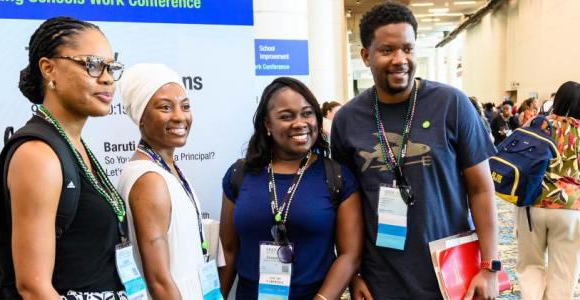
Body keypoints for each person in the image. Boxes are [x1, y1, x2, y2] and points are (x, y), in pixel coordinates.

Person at [331, 2, 501, 299]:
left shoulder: (452, 104)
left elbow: (480, 189)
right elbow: (348, 207)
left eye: (408, 49)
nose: (400, 59)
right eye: (387, 50)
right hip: (380, 278)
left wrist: (490, 266)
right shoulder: (347, 120)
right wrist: (353, 273)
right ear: (366, 56)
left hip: (450, 272)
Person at [3, 17, 130, 299]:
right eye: (93, 65)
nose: (107, 78)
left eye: (111, 67)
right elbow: (34, 288)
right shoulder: (38, 155)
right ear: (49, 69)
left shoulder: (70, 143)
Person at [220, 77, 364, 300]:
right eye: (286, 116)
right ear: (267, 124)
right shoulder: (239, 175)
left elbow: (349, 254)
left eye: (307, 113)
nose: (300, 123)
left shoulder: (336, 177)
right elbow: (228, 251)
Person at [115, 63, 213, 299]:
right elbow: (158, 280)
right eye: (165, 107)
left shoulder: (166, 169)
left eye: (185, 106)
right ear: (141, 117)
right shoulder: (150, 179)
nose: (180, 116)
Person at [514, 82, 580, 300]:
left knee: (530, 267)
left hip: (531, 203)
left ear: (557, 100)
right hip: (569, 209)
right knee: (564, 274)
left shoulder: (535, 124)